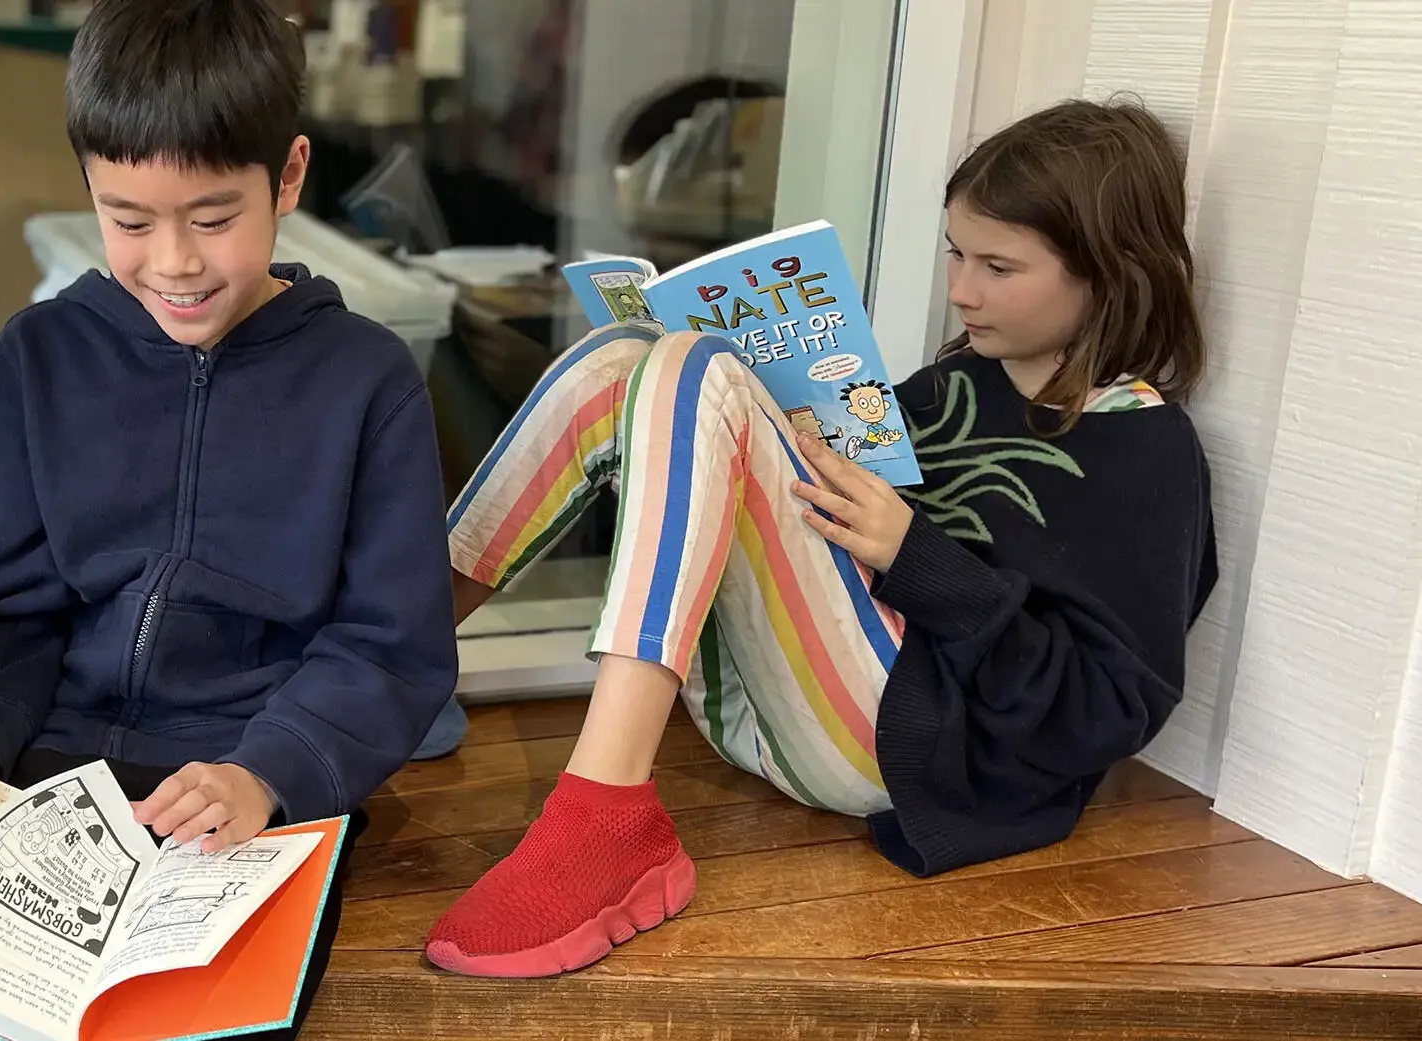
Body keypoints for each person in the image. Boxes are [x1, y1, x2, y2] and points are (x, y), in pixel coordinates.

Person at [422, 97, 1218, 978]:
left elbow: (1112, 705)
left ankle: (602, 822)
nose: (961, 289)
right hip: (782, 707)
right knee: (620, 356)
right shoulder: (956, 380)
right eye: (956, 251)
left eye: (999, 265)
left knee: (698, 369)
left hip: (915, 754)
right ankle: (394, 657)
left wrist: (915, 557)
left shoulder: (1144, 445)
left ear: (1109, 274)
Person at [0, 0, 458, 1034]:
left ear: (289, 177)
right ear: (88, 186)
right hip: (53, 784)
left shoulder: (369, 383)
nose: (172, 262)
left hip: (252, 786)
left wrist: (269, 771)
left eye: (212, 218)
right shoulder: (42, 354)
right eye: (128, 220)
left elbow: (390, 649)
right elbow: (14, 608)